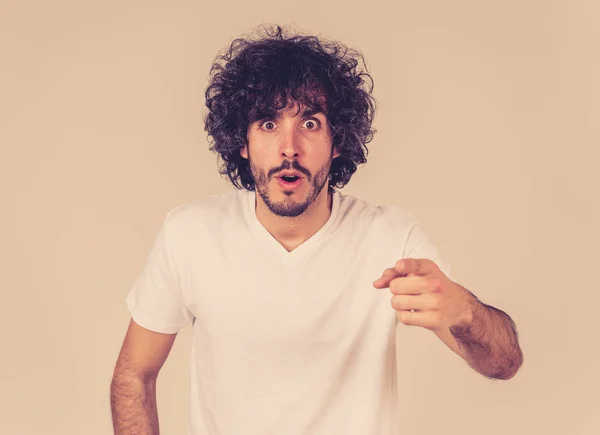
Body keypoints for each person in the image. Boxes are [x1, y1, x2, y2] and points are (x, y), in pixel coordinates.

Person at [110, 24, 523, 435]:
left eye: (309, 124)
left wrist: (463, 311)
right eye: (268, 125)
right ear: (243, 141)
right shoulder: (191, 234)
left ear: (337, 140)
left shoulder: (391, 239)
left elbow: (503, 363)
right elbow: (134, 375)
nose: (289, 147)